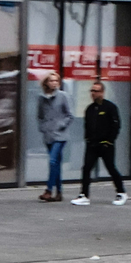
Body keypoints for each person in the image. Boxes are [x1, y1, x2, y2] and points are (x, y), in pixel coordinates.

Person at [70, 81, 126, 206]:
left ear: (102, 92)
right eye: (92, 91)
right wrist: (88, 139)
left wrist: (109, 141)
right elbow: (87, 126)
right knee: (86, 168)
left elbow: (116, 126)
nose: (93, 93)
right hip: (92, 145)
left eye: (96, 91)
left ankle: (121, 192)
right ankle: (84, 195)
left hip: (105, 145)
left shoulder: (110, 107)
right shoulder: (90, 109)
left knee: (111, 168)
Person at [34, 73, 75, 201]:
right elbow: (40, 115)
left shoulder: (63, 96)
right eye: (51, 80)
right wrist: (43, 127)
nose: (54, 83)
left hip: (60, 135)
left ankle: (49, 190)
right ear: (46, 82)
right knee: (56, 163)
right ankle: (59, 193)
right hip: (48, 134)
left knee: (52, 161)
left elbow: (70, 115)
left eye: (56, 80)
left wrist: (61, 125)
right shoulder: (42, 98)